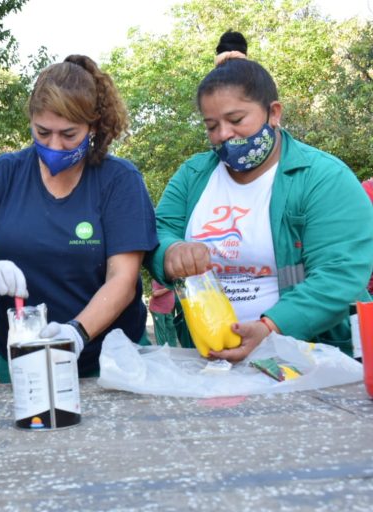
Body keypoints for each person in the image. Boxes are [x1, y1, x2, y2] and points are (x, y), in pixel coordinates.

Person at [146, 32, 373, 362]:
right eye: (211, 126)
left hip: (310, 359)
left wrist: (271, 327)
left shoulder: (324, 177)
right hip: (210, 359)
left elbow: (340, 272)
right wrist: (171, 251)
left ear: (274, 113)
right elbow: (157, 232)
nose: (224, 134)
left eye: (236, 120)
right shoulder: (192, 175)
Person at [0, 55, 158, 383]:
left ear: (93, 126)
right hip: (23, 360)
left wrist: (76, 333)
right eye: (43, 132)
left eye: (69, 134)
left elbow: (122, 280)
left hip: (109, 363)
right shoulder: (2, 175)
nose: (54, 145)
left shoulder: (119, 180)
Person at [148, 279, 177, 346]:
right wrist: (168, 288)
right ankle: (162, 349)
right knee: (161, 331)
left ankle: (173, 349)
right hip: (157, 309)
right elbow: (155, 293)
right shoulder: (157, 279)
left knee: (171, 329)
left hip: (168, 310)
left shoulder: (171, 280)